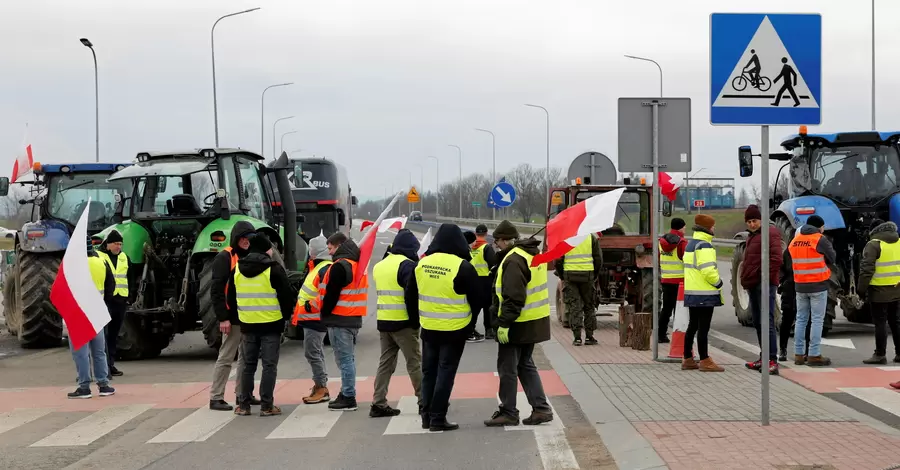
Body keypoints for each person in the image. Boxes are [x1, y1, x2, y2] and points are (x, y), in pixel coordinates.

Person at [405, 223, 479, 432]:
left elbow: (410, 295)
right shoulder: (462, 266)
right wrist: (471, 325)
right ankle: (438, 418)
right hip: (455, 329)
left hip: (428, 328)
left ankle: (426, 416)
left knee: (428, 372)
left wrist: (414, 321)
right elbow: (478, 299)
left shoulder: (422, 264)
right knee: (445, 373)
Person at [484, 221, 553, 427]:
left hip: (517, 323)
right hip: (533, 321)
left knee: (508, 368)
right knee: (525, 365)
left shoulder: (514, 260)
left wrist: (503, 323)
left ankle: (508, 411)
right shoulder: (531, 255)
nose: (496, 246)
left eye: (497, 242)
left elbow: (514, 297)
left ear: (505, 240)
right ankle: (541, 408)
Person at [233, 234, 296, 416]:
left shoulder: (237, 269)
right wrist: (285, 318)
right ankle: (267, 406)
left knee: (248, 365)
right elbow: (286, 297)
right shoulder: (273, 269)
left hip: (247, 325)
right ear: (265, 249)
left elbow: (231, 296)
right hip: (271, 325)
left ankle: (243, 405)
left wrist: (240, 318)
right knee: (269, 366)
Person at [371, 229, 423, 418]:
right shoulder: (407, 266)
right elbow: (411, 296)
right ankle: (423, 401)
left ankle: (378, 402)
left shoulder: (380, 265)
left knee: (385, 363)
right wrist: (415, 321)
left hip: (384, 322)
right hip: (403, 323)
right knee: (414, 363)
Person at [209, 221, 260, 411]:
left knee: (246, 358)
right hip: (232, 317)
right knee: (226, 357)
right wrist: (223, 317)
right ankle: (216, 397)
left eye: (249, 238)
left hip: (249, 316)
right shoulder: (225, 257)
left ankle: (243, 394)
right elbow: (216, 290)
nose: (246, 241)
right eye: (243, 238)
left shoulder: (252, 257)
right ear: (237, 238)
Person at [319, 232, 368, 411]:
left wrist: (323, 314)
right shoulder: (356, 265)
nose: (329, 253)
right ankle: (346, 392)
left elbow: (332, 295)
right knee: (347, 359)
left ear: (339, 246)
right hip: (353, 318)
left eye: (331, 248)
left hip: (340, 319)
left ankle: (348, 396)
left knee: (344, 360)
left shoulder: (340, 267)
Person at [739, 205, 783, 375]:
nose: (751, 224)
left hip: (764, 284)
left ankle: (772, 359)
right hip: (753, 284)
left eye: (754, 221)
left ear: (761, 220)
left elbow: (776, 259)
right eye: (749, 221)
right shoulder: (751, 237)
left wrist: (763, 278)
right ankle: (763, 357)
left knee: (767, 322)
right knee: (757, 322)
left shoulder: (770, 233)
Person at [67, 248, 116, 399]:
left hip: (79, 313)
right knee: (99, 351)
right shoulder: (101, 262)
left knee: (81, 352)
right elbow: (111, 286)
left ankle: (84, 387)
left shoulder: (73, 264)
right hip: (97, 311)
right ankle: (104, 385)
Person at [789, 215, 835, 367]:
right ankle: (814, 354)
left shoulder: (795, 240)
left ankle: (799, 354)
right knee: (817, 319)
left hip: (800, 285)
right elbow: (832, 257)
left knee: (801, 319)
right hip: (818, 285)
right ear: (820, 226)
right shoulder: (819, 239)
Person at [682, 214, 725, 372]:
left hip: (692, 292)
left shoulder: (691, 244)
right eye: (713, 226)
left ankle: (687, 358)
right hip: (704, 293)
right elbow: (707, 270)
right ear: (707, 228)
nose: (714, 228)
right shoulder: (705, 245)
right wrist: (718, 283)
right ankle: (705, 360)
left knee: (692, 325)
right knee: (703, 328)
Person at [293, 232, 332, 404]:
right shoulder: (319, 267)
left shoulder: (323, 269)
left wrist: (310, 306)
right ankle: (320, 385)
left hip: (315, 319)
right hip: (312, 319)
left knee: (313, 353)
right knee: (315, 352)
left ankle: (321, 387)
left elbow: (326, 294)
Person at [857, 220, 900, 365]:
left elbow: (866, 270)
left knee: (880, 323)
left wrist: (861, 290)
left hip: (879, 291)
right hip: (897, 289)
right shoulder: (899, 241)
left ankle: (880, 354)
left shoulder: (874, 244)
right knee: (896, 322)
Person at [556, 231, 602, 346]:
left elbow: (558, 260)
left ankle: (577, 338)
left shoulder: (566, 238)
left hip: (570, 277)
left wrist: (562, 276)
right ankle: (589, 337)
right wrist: (594, 275)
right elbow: (598, 259)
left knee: (574, 306)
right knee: (589, 306)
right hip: (587, 276)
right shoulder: (591, 238)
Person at [95, 229, 128, 379]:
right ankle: (104, 368)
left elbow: (130, 277)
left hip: (120, 301)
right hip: (105, 301)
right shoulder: (99, 257)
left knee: (113, 335)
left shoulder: (124, 258)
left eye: (120, 244)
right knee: (104, 336)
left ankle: (111, 364)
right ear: (108, 244)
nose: (118, 247)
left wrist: (130, 296)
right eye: (116, 244)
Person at [467, 224, 498, 340]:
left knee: (474, 307)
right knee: (488, 306)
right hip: (486, 281)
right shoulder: (486, 248)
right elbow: (493, 264)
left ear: (475, 234)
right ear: (486, 233)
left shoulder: (471, 247)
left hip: (473, 280)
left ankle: (470, 329)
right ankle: (489, 330)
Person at [659, 218, 688, 343]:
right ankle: (680, 336)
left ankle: (661, 334)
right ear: (680, 228)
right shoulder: (682, 243)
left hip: (666, 280)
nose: (685, 229)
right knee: (680, 310)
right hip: (680, 282)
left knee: (666, 309)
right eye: (684, 227)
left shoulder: (661, 241)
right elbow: (687, 261)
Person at [779, 245, 810, 362]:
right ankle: (784, 349)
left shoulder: (791, 248)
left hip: (797, 287)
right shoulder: (791, 249)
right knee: (789, 320)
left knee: (793, 320)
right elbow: (782, 268)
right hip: (793, 287)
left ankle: (804, 351)